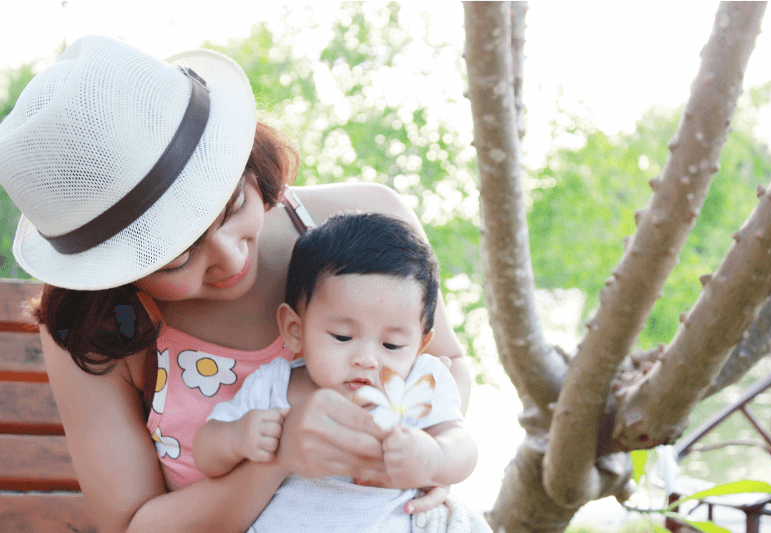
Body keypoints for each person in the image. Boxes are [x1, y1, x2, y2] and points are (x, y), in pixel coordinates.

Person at [0, 35, 471, 533]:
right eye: (177, 256)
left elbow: (447, 365)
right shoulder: (98, 333)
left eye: (234, 206)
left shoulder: (363, 220)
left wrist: (430, 456)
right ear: (113, 274)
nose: (231, 257)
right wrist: (279, 456)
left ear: (242, 160)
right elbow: (133, 525)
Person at [193, 212, 478, 532]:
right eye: (343, 337)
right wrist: (237, 436)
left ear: (421, 344)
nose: (368, 359)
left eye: (393, 344)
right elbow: (205, 453)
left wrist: (434, 458)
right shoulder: (273, 386)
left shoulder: (418, 381)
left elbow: (462, 445)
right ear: (294, 329)